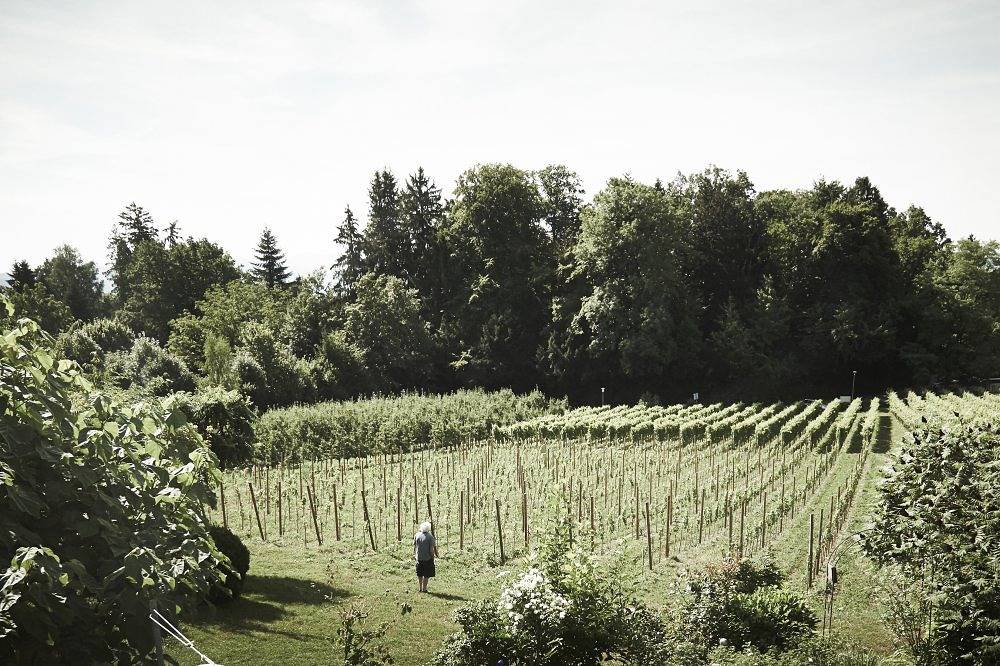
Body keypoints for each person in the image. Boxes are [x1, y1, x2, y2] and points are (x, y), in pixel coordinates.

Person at [413, 520, 438, 593]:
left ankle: (420, 588)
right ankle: (424, 588)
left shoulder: (417, 535)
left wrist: (414, 555)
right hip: (427, 559)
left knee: (419, 573)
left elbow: (415, 546)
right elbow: (431, 550)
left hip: (419, 558)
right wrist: (432, 558)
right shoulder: (430, 537)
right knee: (426, 574)